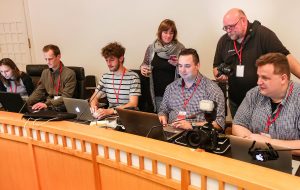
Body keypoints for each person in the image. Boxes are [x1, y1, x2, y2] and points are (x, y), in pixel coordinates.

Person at [213, 8, 300, 118]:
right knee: (240, 131)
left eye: (231, 26)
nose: (228, 30)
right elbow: (215, 66)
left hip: (262, 102)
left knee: (260, 132)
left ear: (243, 20)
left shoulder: (264, 35)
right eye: (225, 28)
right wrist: (219, 75)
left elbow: (285, 58)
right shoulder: (223, 41)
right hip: (236, 101)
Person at [232, 53, 300, 155]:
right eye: (258, 76)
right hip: (255, 155)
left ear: (283, 79)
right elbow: (237, 125)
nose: (259, 82)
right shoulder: (253, 94)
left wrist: (267, 143)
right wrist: (253, 142)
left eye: (265, 78)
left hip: (292, 162)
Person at [158, 48, 225, 130]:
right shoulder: (171, 87)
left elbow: (219, 123)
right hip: (171, 134)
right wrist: (163, 117)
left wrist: (192, 125)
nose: (182, 70)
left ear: (197, 66)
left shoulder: (212, 89)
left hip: (197, 137)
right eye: (180, 66)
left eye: (187, 66)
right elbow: (163, 110)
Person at [140, 19, 185, 112]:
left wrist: (179, 65)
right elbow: (144, 63)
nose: (168, 36)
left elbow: (187, 73)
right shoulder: (151, 48)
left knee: (170, 123)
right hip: (154, 95)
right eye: (165, 32)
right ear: (160, 32)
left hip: (173, 96)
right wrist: (142, 68)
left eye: (171, 33)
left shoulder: (180, 49)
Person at [90, 42, 141, 119]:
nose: (108, 63)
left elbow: (133, 104)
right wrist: (94, 107)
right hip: (109, 117)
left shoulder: (133, 77)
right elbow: (94, 98)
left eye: (112, 60)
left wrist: (111, 111)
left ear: (121, 58)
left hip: (127, 117)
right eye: (106, 60)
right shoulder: (105, 77)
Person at [27, 44, 76, 111]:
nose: (47, 62)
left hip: (61, 105)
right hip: (48, 104)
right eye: (46, 59)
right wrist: (27, 102)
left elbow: (66, 97)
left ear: (58, 56)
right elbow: (39, 91)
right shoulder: (45, 73)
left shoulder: (69, 74)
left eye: (50, 59)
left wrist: (47, 104)